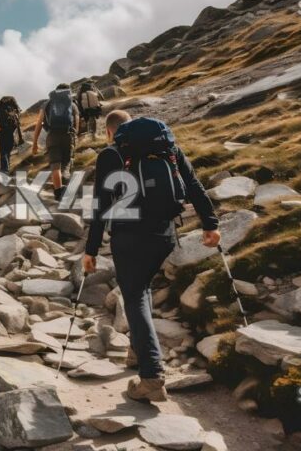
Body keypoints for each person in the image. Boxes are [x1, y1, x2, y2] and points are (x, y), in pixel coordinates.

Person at [82, 110, 221, 403]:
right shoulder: (167, 148)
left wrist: (91, 250)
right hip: (164, 236)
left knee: (135, 295)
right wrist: (211, 225)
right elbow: (193, 184)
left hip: (129, 237)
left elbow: (99, 206)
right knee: (141, 289)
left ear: (111, 133)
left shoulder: (111, 155)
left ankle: (152, 376)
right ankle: (137, 351)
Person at [32, 84, 79, 198]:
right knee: (66, 163)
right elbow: (77, 122)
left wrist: (35, 143)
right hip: (67, 136)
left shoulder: (47, 104)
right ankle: (65, 183)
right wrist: (75, 135)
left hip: (52, 136)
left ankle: (58, 192)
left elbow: (39, 123)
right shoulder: (72, 104)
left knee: (55, 165)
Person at [0, 96, 24, 172]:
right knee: (8, 151)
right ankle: (6, 169)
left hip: (2, 132)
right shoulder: (14, 112)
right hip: (12, 133)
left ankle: (4, 170)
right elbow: (18, 123)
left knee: (3, 152)